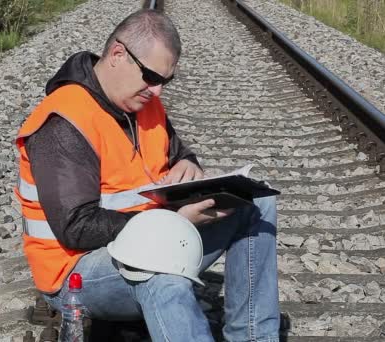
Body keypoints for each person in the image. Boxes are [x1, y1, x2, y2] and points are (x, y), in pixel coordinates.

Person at [14, 9, 280, 342]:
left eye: (165, 82)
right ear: (117, 54)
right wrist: (175, 223)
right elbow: (76, 229)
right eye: (151, 77)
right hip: (75, 270)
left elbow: (174, 151)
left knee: (255, 205)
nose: (157, 92)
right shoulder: (64, 122)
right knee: (163, 275)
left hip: (152, 238)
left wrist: (190, 164)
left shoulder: (142, 103)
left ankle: (253, 337)